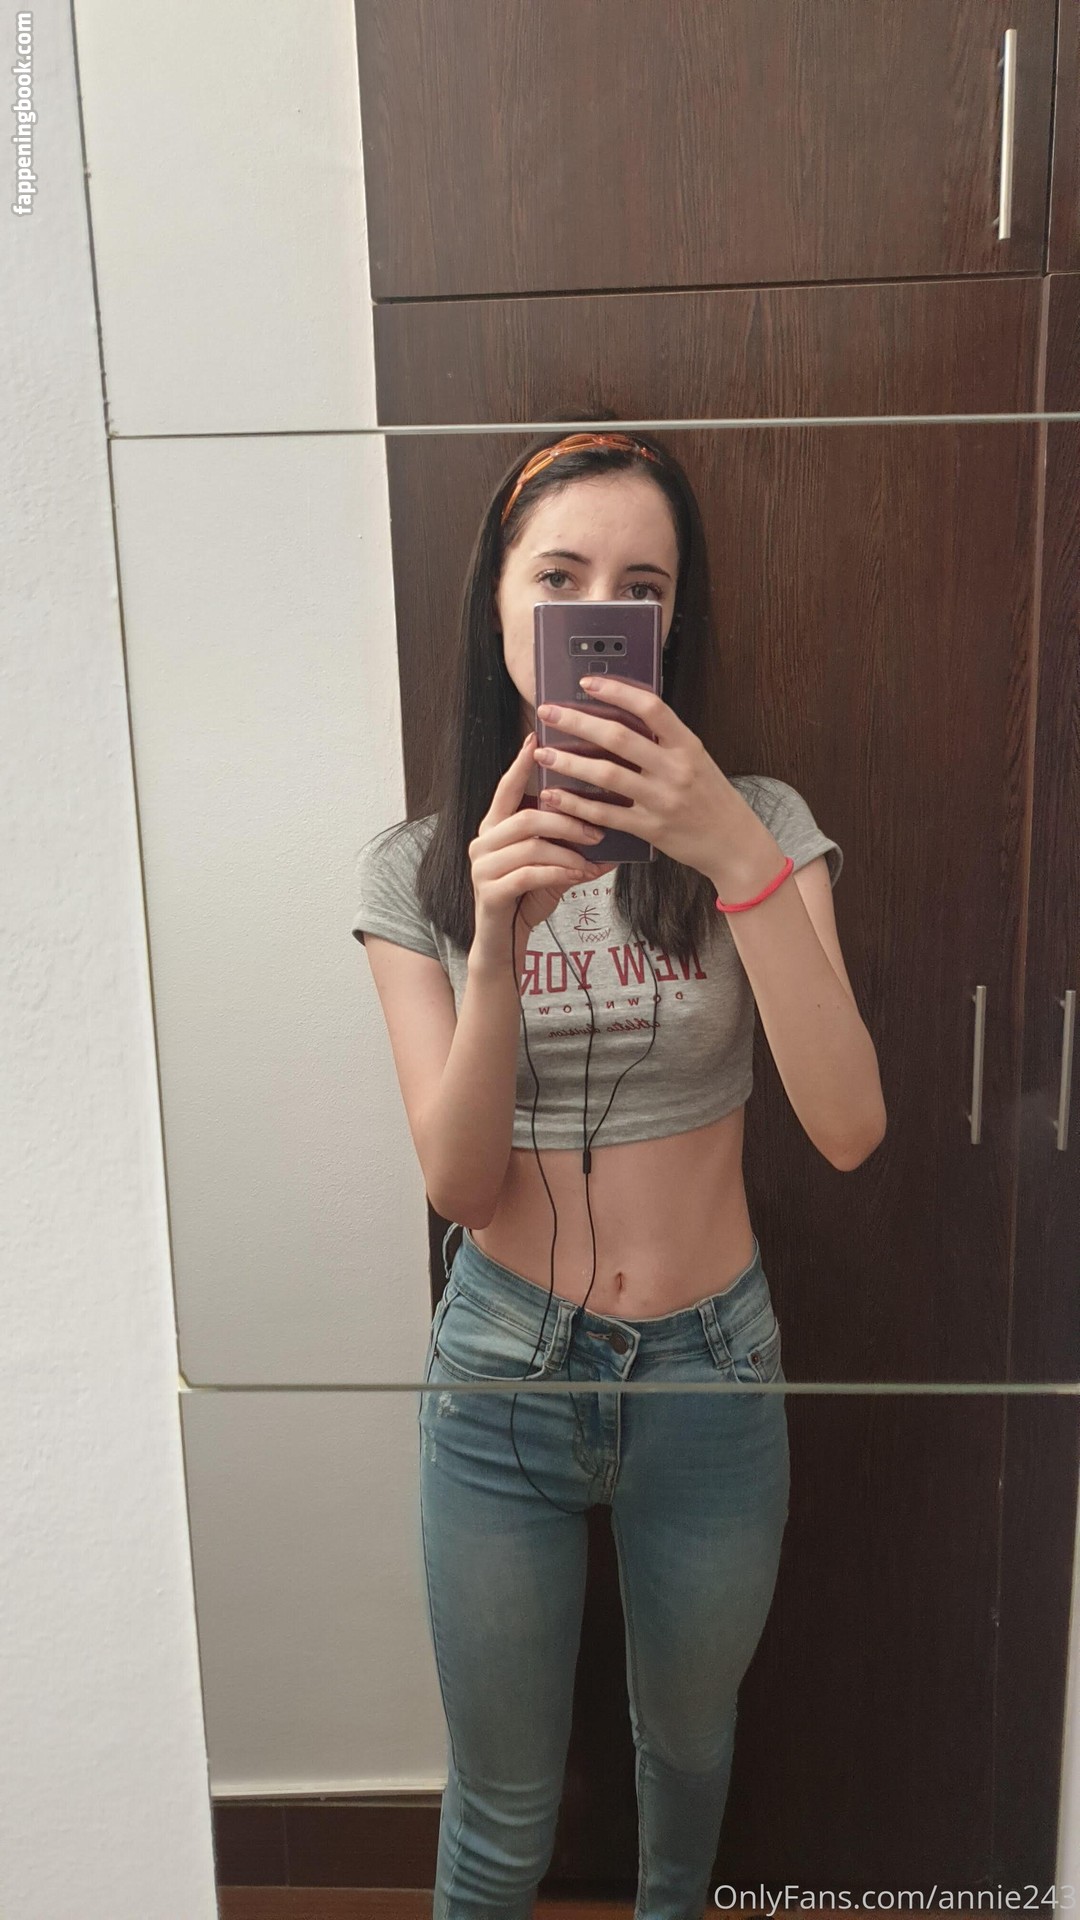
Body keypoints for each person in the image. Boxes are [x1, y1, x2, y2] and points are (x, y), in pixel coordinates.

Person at [352, 418, 868, 1920]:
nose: (601, 613)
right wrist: (496, 949)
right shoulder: (420, 868)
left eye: (641, 588)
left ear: (672, 623)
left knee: (687, 1761)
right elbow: (459, 1188)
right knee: (500, 1817)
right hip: (501, 1366)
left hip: (713, 1366)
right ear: (499, 608)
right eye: (561, 576)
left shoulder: (763, 826)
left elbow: (849, 1127)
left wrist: (734, 854)